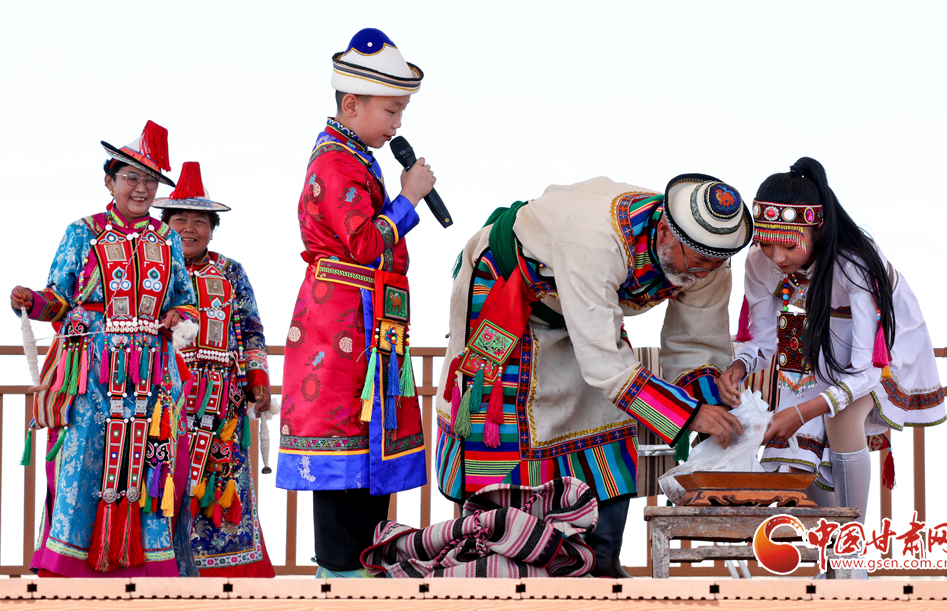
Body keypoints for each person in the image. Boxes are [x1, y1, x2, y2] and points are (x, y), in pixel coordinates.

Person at [435, 174, 752, 577]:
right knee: (498, 425)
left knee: (608, 420)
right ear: (665, 232)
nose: (705, 274)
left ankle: (600, 565)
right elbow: (603, 362)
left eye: (716, 264)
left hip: (588, 307)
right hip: (506, 289)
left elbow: (697, 344)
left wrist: (709, 404)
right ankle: (497, 561)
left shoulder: (708, 259)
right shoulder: (596, 239)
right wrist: (687, 414)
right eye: (699, 262)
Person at [278, 28, 436, 579]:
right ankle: (341, 570)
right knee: (344, 442)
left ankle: (364, 565)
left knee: (368, 445)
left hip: (364, 318)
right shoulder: (336, 162)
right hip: (342, 319)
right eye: (392, 110)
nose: (398, 124)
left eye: (401, 111)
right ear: (352, 104)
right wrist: (409, 197)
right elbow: (365, 244)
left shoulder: (354, 157)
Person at [718, 157, 945, 536]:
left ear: (818, 229)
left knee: (841, 417)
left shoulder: (855, 262)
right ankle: (833, 544)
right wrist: (740, 366)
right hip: (808, 332)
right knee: (795, 440)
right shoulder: (759, 262)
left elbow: (866, 369)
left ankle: (851, 545)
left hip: (880, 344)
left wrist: (802, 411)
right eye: (766, 243)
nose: (777, 257)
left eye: (788, 245)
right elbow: (763, 337)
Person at [10, 121, 198, 577]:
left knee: (150, 466)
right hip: (90, 373)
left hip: (152, 375)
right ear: (109, 181)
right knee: (82, 463)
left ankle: (146, 571)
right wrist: (31, 301)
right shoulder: (83, 232)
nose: (142, 188)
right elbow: (59, 299)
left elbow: (185, 300)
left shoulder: (167, 238)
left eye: (150, 180)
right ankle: (69, 570)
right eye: (131, 177)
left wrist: (178, 316)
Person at [154, 161, 275, 577]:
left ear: (212, 229)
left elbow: (252, 329)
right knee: (161, 484)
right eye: (180, 220)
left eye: (200, 222)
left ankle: (228, 581)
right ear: (165, 225)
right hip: (163, 402)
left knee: (222, 488)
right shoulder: (153, 270)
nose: (189, 229)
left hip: (222, 405)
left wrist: (258, 380)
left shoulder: (230, 272)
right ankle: (162, 573)